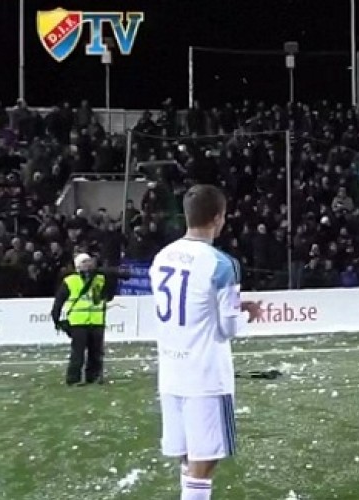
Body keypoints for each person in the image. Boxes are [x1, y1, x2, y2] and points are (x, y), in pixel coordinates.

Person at [149, 184, 260, 500]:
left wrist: (237, 306)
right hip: (205, 375)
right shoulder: (222, 263)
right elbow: (227, 329)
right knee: (205, 462)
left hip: (171, 372)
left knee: (189, 459)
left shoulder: (162, 256)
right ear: (218, 218)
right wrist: (247, 316)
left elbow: (191, 306)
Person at [50, 253, 117, 386]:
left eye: (89, 261)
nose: (88, 264)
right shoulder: (70, 280)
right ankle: (73, 379)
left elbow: (108, 296)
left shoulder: (99, 278)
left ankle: (94, 377)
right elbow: (58, 301)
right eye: (84, 262)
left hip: (96, 321)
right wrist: (57, 320)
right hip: (78, 322)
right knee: (78, 354)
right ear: (78, 265)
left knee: (96, 353)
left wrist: (109, 279)